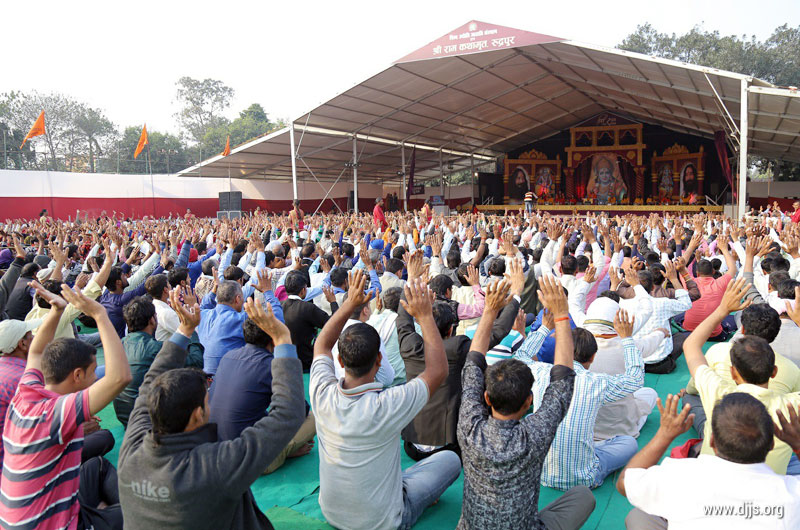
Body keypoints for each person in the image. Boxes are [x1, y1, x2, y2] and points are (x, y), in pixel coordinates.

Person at [117, 289, 306, 529]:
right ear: (198, 415)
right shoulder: (215, 465)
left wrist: (185, 330)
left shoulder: (132, 449)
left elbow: (149, 384)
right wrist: (282, 339)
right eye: (207, 399)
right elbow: (288, 414)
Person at [310, 269, 461, 529]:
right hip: (385, 520)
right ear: (379, 360)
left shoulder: (322, 392)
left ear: (341, 360)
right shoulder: (388, 404)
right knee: (450, 460)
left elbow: (322, 345)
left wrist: (347, 305)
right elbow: (438, 371)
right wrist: (425, 315)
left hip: (332, 513)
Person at [457, 274, 595, 529]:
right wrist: (562, 315)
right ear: (529, 401)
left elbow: (473, 363)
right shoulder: (535, 434)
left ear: (487, 398)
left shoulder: (469, 426)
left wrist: (490, 311)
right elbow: (563, 379)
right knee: (584, 496)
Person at [0, 281, 132, 529]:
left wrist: (57, 310)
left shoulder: (26, 392)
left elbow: (37, 352)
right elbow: (119, 377)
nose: (97, 378)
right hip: (52, 525)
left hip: (20, 518)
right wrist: (100, 314)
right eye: (94, 372)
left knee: (98, 466)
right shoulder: (53, 413)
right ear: (78, 376)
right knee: (145, 517)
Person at [618, 393, 800, 528]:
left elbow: (625, 483)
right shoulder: (792, 493)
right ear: (771, 445)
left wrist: (664, 435)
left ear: (711, 441)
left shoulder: (679, 475)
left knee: (639, 517)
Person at [517, 296, 644, 490]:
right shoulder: (596, 383)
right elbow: (636, 379)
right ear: (593, 357)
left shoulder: (542, 372)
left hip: (541, 472)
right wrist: (627, 338)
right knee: (628, 442)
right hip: (585, 477)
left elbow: (521, 356)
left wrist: (544, 327)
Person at [681, 278, 800, 475]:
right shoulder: (789, 406)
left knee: (688, 394)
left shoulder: (718, 394)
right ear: (774, 371)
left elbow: (690, 345)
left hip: (717, 478)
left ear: (733, 372)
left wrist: (722, 310)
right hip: (772, 485)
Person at [209, 315, 317, 474]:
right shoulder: (270, 365)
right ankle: (283, 452)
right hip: (252, 460)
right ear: (273, 336)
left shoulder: (228, 356)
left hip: (218, 452)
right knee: (314, 417)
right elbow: (298, 411)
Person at [114, 294, 203, 427]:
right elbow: (197, 362)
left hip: (124, 415)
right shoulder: (156, 348)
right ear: (152, 320)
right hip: (147, 418)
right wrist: (191, 330)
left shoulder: (119, 344)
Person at [197, 270, 282, 376]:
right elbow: (277, 323)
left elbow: (204, 306)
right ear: (238, 299)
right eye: (242, 297)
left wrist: (214, 289)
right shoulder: (241, 318)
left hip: (207, 380)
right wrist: (268, 292)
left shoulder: (203, 315)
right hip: (231, 378)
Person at [281, 270, 338, 371]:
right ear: (303, 290)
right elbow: (333, 324)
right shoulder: (308, 308)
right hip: (306, 362)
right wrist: (333, 302)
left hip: (284, 360)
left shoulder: (279, 306)